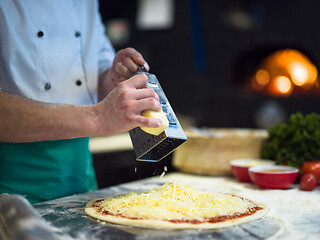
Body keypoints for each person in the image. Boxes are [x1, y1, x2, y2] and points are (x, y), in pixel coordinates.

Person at [0, 1, 163, 203]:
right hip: (10, 188)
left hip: (82, 177)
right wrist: (98, 117)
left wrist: (115, 76)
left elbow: (96, 77)